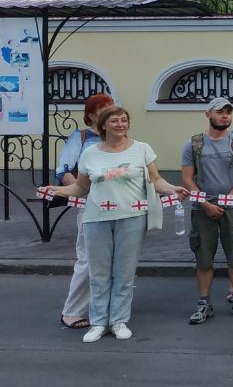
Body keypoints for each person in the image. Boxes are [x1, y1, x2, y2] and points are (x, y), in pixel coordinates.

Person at [43, 106, 187, 343]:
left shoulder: (142, 149)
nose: (120, 124)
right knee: (98, 273)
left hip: (132, 218)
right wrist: (57, 189)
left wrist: (173, 188)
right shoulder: (90, 153)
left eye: (124, 120)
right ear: (103, 125)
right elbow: (81, 187)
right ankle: (98, 322)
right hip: (96, 219)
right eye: (114, 121)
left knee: (124, 272)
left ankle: (118, 321)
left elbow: (156, 180)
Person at [183, 98, 233, 325]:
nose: (225, 116)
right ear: (208, 115)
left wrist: (225, 203)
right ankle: (204, 303)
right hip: (201, 209)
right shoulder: (194, 144)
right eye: (219, 112)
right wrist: (205, 203)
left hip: (232, 209)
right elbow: (187, 179)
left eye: (228, 112)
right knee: (204, 258)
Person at [55, 92, 115, 331]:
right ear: (91, 115)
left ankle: (101, 306)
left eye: (110, 107)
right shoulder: (81, 138)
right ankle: (72, 311)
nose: (109, 112)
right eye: (102, 109)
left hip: (116, 206)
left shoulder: (115, 138)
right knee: (88, 258)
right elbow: (64, 170)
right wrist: (81, 193)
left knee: (110, 260)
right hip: (90, 205)